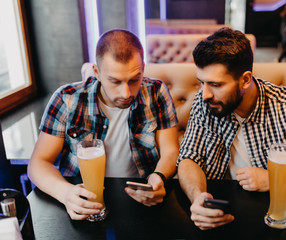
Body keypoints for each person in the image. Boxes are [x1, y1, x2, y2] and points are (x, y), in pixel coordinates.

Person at [177, 27, 286, 230]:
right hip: (217, 214)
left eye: (216, 84)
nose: (205, 94)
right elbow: (188, 158)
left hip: (276, 218)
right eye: (201, 83)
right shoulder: (206, 102)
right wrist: (197, 197)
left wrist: (274, 180)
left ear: (245, 79)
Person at [28, 29, 179, 220]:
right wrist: (66, 194)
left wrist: (159, 177)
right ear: (97, 72)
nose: (126, 93)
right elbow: (38, 163)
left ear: (143, 68)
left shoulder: (156, 92)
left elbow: (171, 151)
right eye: (115, 81)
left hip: (141, 200)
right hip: (84, 201)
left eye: (134, 80)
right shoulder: (67, 99)